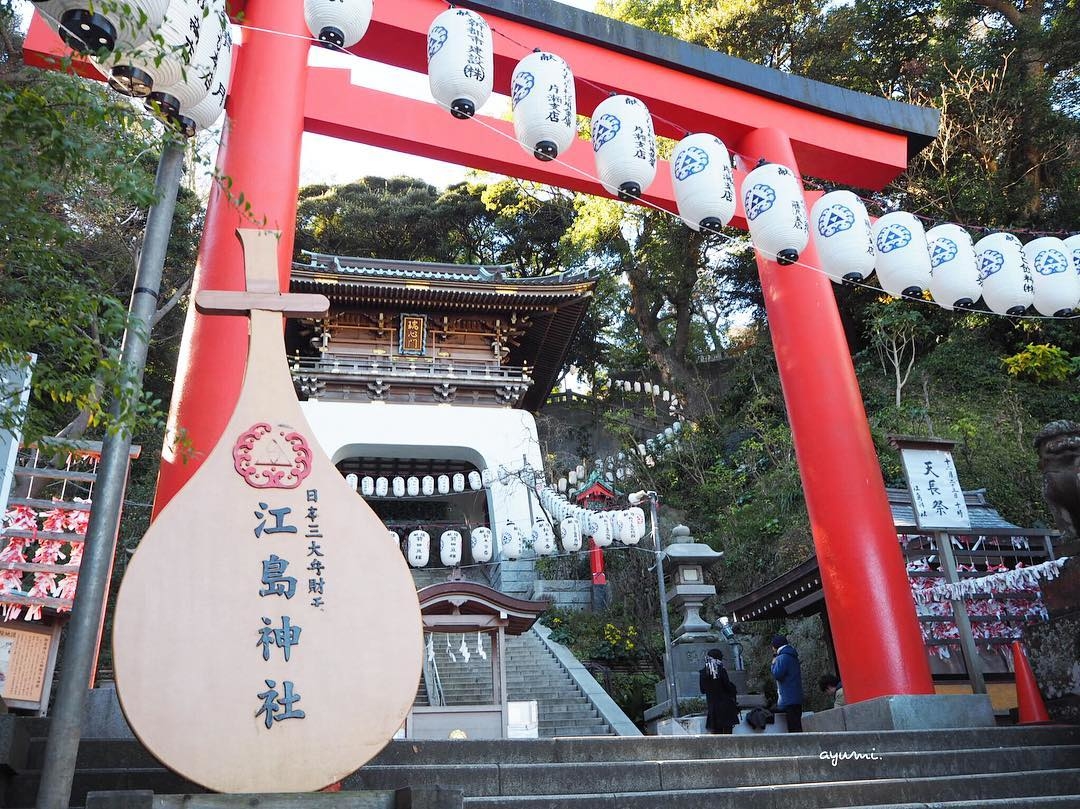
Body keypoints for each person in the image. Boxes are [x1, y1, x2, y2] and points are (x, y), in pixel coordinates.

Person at [699, 648, 739, 734]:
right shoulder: (721, 670)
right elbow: (727, 686)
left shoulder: (703, 672)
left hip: (713, 708)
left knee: (717, 737)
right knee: (728, 735)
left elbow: (702, 690)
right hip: (726, 707)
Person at [770, 634, 803, 732]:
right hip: (796, 697)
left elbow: (777, 674)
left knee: (793, 727)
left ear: (775, 646)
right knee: (797, 724)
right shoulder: (793, 656)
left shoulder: (782, 657)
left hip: (788, 699)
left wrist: (773, 664)